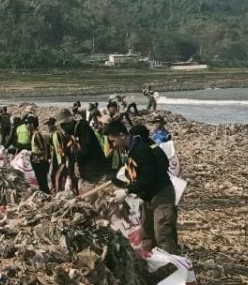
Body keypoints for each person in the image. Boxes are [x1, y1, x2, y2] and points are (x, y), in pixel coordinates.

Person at [108, 122, 179, 253]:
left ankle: (173, 268)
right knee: (146, 237)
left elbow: (148, 177)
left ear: (122, 135)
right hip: (148, 197)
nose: (113, 145)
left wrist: (127, 191)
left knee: (163, 236)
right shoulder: (129, 150)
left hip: (161, 195)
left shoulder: (142, 150)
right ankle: (151, 266)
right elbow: (133, 176)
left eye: (113, 141)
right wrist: (123, 187)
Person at [57, 108, 111, 193]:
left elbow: (87, 150)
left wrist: (76, 162)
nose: (64, 129)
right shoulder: (69, 135)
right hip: (85, 174)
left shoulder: (83, 128)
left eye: (63, 126)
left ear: (69, 122)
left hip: (97, 172)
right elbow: (70, 156)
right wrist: (69, 176)